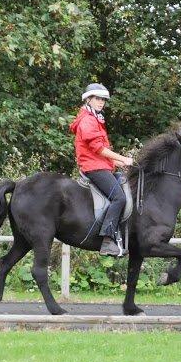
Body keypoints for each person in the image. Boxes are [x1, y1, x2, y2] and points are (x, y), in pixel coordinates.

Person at [69, 83, 134, 257]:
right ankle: (107, 240)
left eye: (103, 99)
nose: (101, 102)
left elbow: (100, 150)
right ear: (88, 100)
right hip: (93, 167)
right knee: (119, 198)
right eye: (97, 99)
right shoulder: (88, 120)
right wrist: (122, 158)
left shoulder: (95, 118)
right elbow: (98, 148)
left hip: (101, 165)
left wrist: (116, 163)